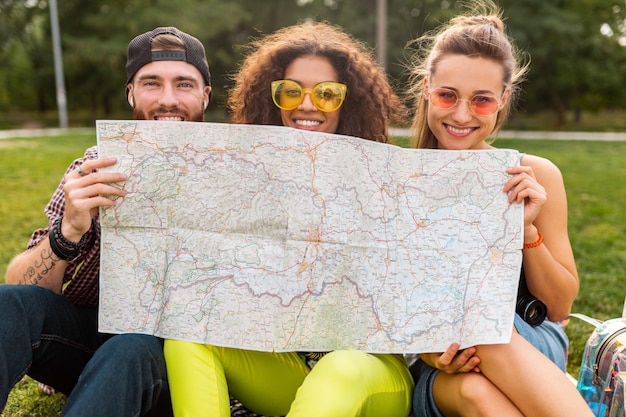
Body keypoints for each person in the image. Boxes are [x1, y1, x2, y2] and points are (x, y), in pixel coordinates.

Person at [163, 21, 414, 417]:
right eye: (291, 91)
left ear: (348, 103)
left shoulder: (388, 183)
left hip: (372, 375)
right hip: (293, 372)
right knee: (188, 335)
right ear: (273, 97)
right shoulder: (245, 181)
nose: (307, 105)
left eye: (328, 94)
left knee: (341, 365)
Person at [1, 26, 211, 416]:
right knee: (8, 303)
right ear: (130, 92)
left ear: (205, 95)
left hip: (184, 366)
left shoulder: (238, 172)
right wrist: (67, 231)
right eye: (151, 83)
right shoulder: (97, 165)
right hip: (95, 343)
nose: (168, 99)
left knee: (131, 346)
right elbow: (20, 283)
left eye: (184, 84)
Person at [404, 2, 593, 416]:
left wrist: (524, 229)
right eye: (447, 95)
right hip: (438, 363)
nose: (461, 114)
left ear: (504, 99)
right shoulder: (398, 180)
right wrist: (432, 354)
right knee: (476, 393)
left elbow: (559, 308)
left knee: (485, 330)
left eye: (482, 100)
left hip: (527, 339)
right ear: (426, 89)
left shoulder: (534, 174)